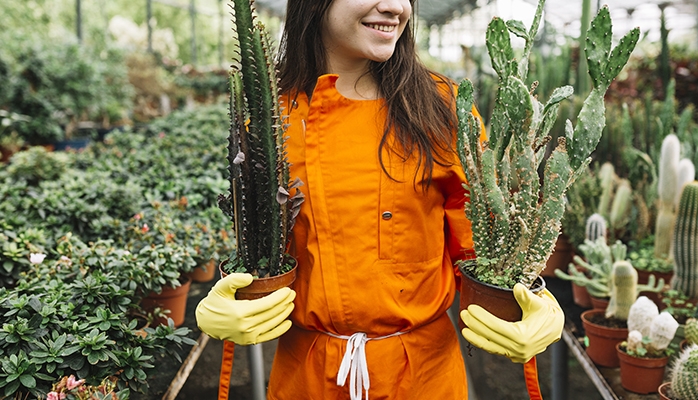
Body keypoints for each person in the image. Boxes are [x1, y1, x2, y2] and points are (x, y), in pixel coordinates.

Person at [196, 0, 565, 399]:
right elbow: (262, 252)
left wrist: (535, 298)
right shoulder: (272, 119)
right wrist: (228, 296)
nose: (393, 7)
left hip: (423, 376)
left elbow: (486, 250)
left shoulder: (442, 107)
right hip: (309, 376)